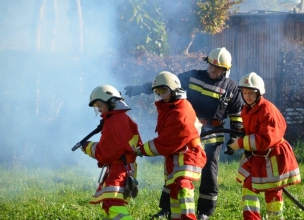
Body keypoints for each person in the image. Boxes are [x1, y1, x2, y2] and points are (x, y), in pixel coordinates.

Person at [125, 48, 243, 219]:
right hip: (187, 132)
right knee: (175, 170)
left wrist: (235, 137)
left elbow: (236, 116)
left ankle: (205, 212)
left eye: (218, 69)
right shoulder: (193, 76)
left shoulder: (231, 88)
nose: (213, 69)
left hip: (212, 135)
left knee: (209, 173)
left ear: (226, 70)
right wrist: (141, 89)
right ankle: (166, 208)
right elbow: (167, 84)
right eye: (210, 65)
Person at [227, 72, 301, 220]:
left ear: (259, 93)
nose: (247, 96)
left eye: (251, 93)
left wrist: (240, 143)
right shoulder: (247, 108)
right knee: (248, 186)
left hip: (273, 157)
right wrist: (242, 133)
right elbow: (254, 129)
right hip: (258, 157)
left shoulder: (267, 110)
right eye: (245, 93)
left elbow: (265, 138)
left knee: (272, 191)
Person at [136, 71, 207, 220]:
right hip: (175, 157)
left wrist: (141, 150)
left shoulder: (180, 111)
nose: (161, 95)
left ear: (174, 90)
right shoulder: (169, 108)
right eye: (158, 92)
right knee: (174, 189)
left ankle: (189, 217)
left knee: (183, 185)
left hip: (188, 155)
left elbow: (166, 141)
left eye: (164, 91)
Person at [81, 85, 143, 220]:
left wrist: (87, 147)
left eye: (99, 104)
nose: (98, 108)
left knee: (114, 203)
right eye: (96, 105)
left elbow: (105, 153)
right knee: (108, 203)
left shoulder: (112, 122)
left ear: (110, 102)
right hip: (125, 167)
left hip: (119, 168)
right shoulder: (124, 118)